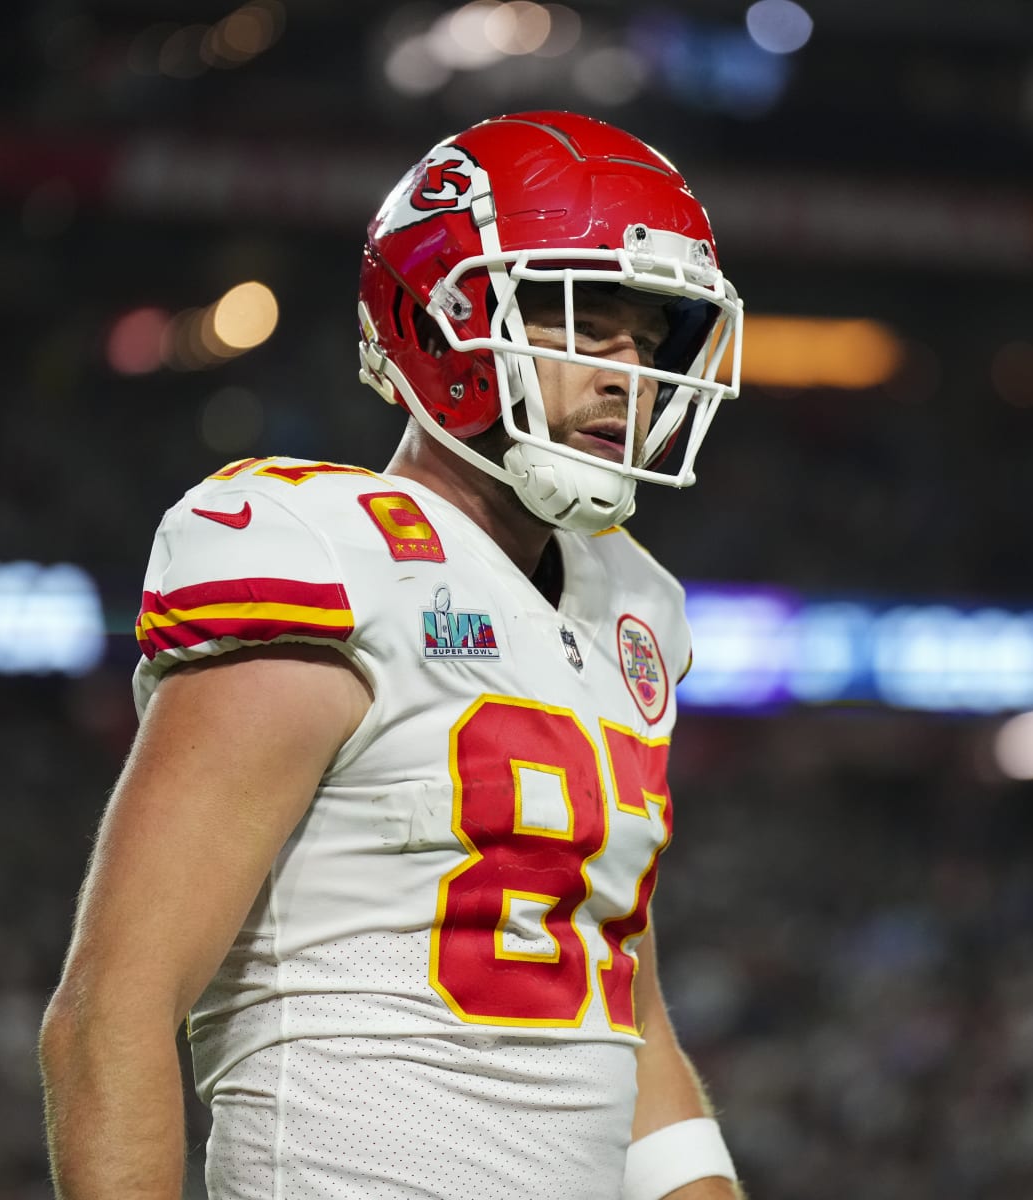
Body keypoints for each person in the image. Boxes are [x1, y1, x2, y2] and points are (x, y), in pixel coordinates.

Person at [38, 110, 746, 1200]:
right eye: (586, 325)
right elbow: (113, 1010)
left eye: (648, 344)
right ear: (450, 317)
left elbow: (625, 1011)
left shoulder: (632, 604)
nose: (629, 377)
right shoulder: (323, 550)